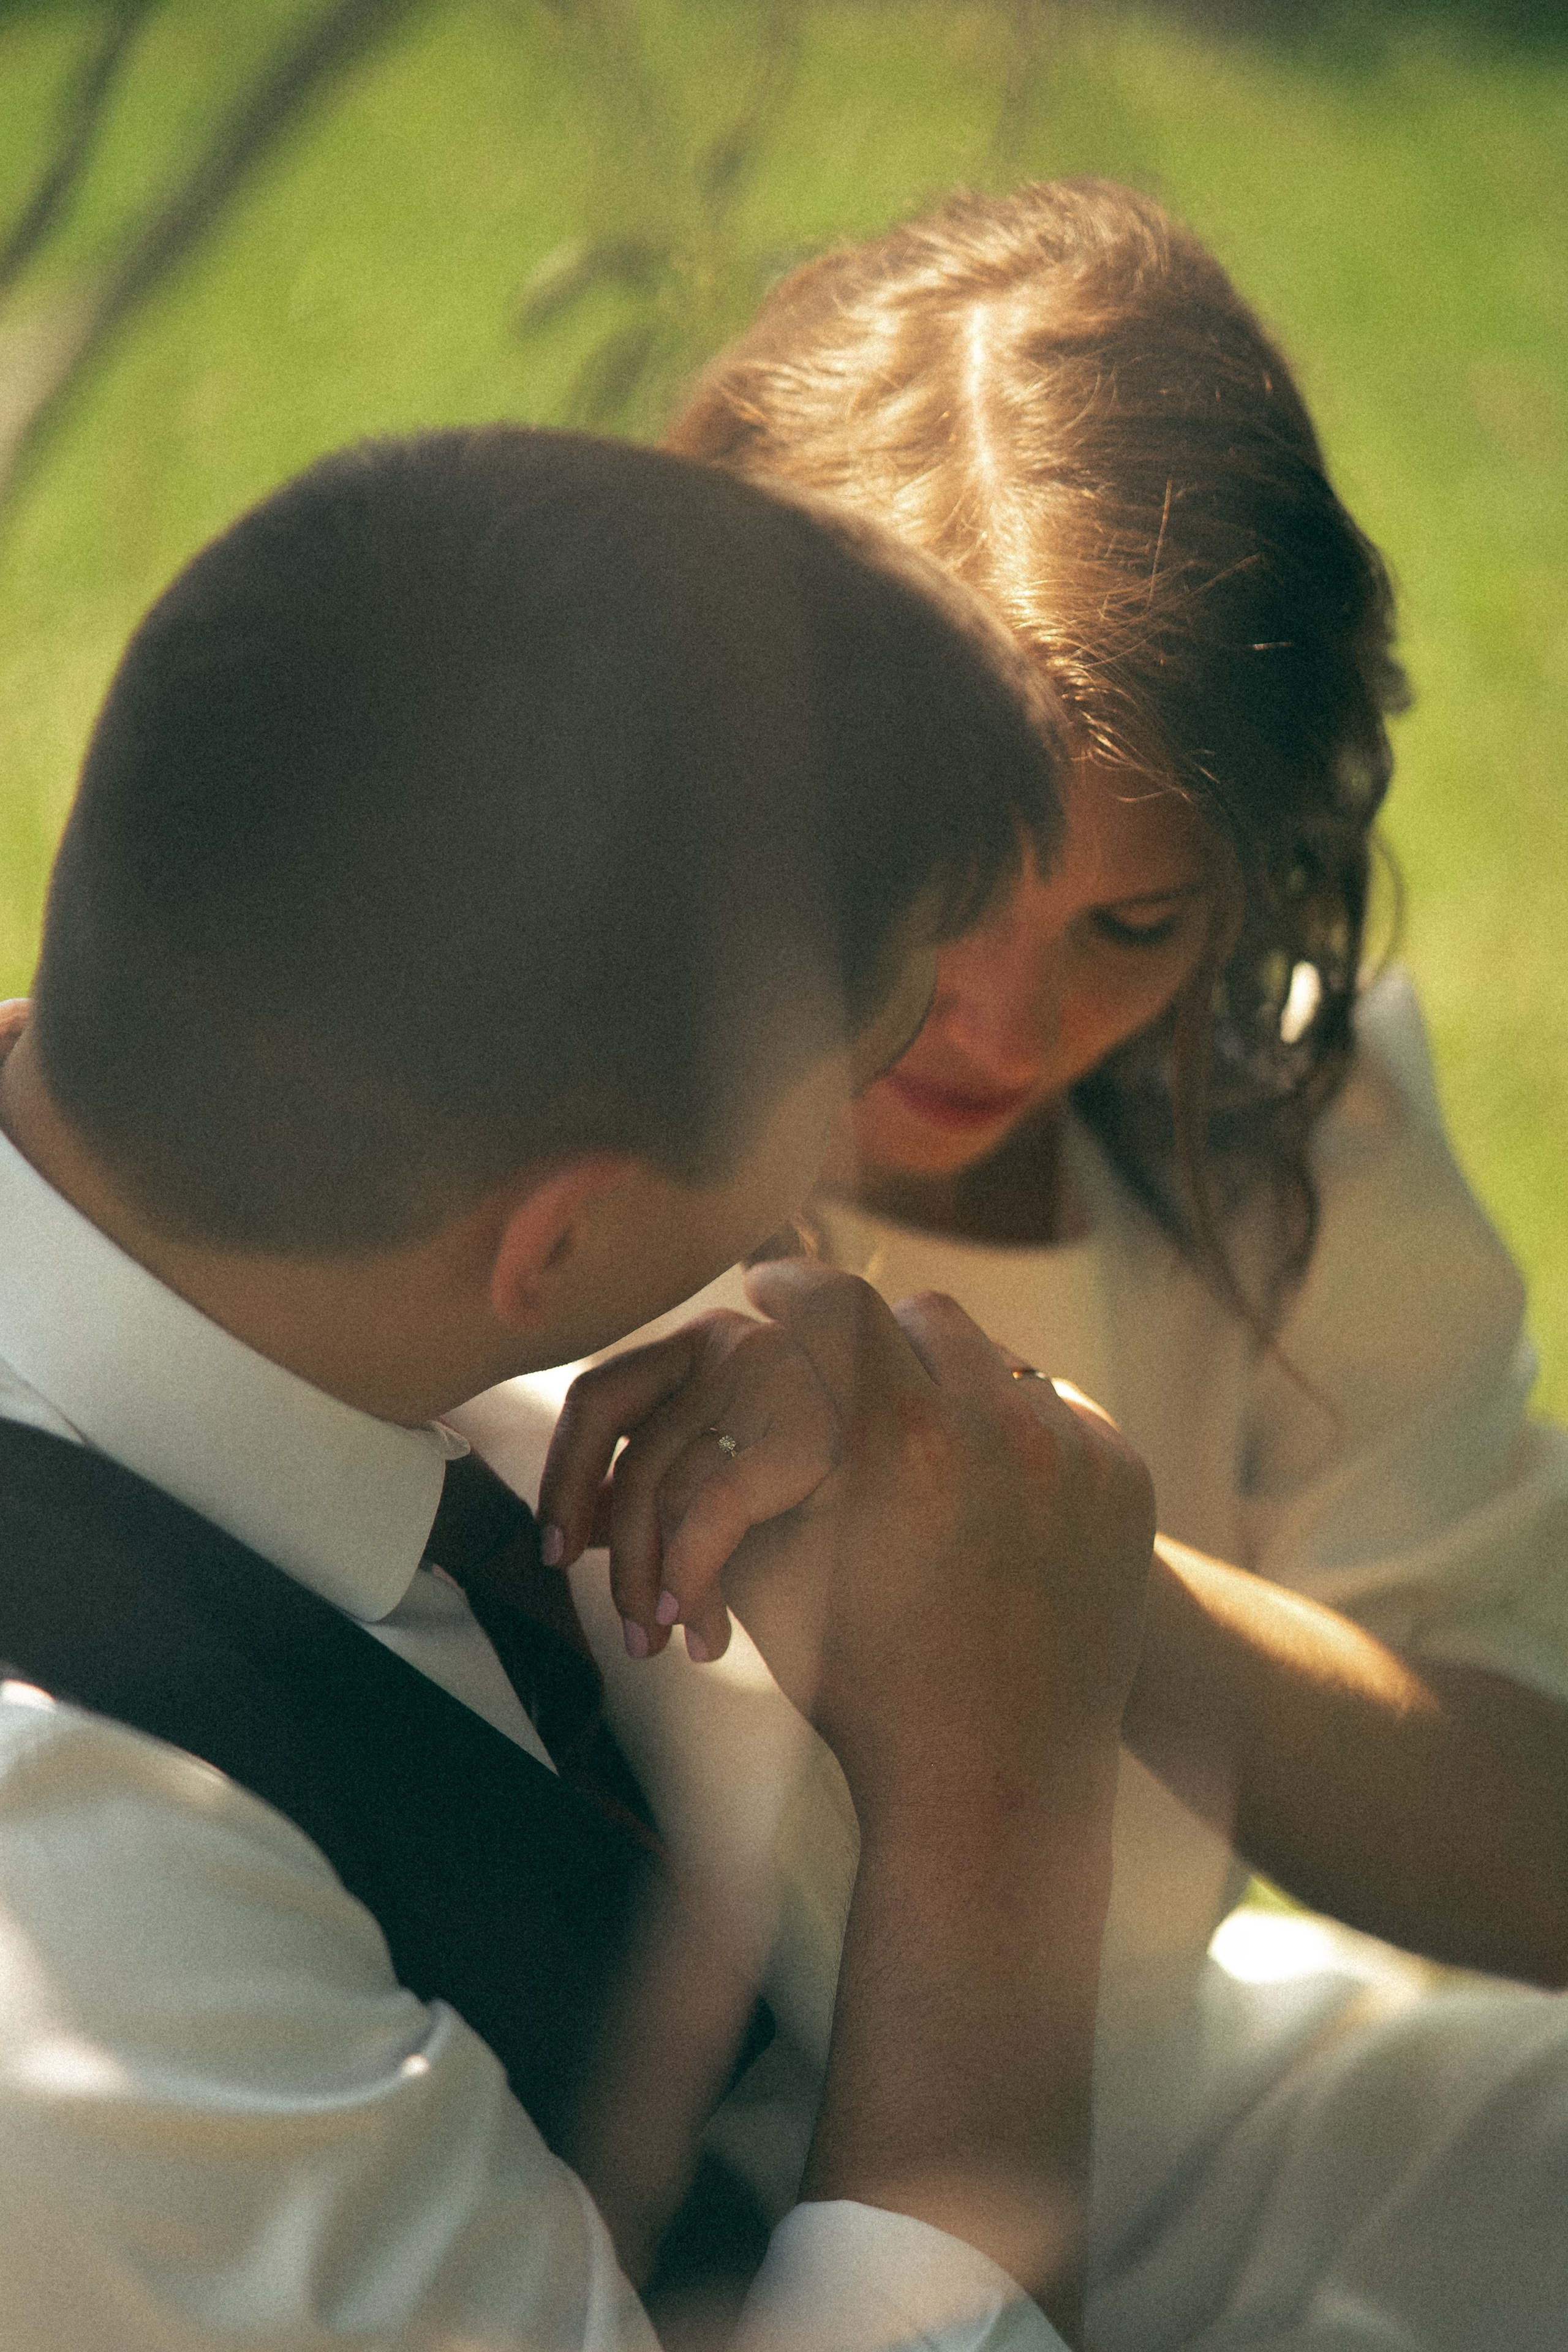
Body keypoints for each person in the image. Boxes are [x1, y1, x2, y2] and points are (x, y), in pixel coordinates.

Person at [466, 182, 1568, 2350]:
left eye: (1132, 925)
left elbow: (1530, 1829)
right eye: (934, 900)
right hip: (691, 2238)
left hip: (1186, 2139)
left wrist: (1067, 1570)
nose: (1001, 1023)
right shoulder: (537, 1137)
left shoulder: (1274, 1123)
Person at [0, 425, 1159, 2349]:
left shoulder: (239, 1227)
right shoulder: (96, 1950)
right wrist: (993, 1814)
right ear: (554, 1238)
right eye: (851, 1066)